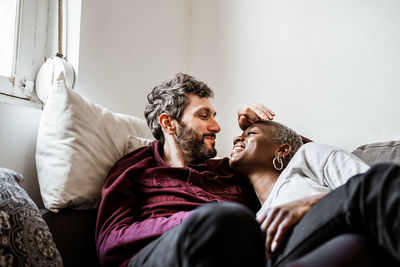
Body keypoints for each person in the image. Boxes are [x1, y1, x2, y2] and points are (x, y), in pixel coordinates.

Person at [95, 73, 275, 267]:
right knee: (225, 218)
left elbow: (298, 156)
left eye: (214, 117)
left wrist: (260, 128)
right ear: (168, 123)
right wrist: (199, 219)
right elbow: (111, 242)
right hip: (163, 256)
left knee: (313, 215)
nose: (217, 127)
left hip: (233, 253)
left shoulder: (229, 169)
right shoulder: (134, 169)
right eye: (203, 116)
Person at [229, 120, 400, 266]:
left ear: (282, 150)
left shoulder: (305, 156)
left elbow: (371, 186)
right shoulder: (254, 220)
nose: (237, 138)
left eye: (250, 133)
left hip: (330, 235)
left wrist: (311, 203)